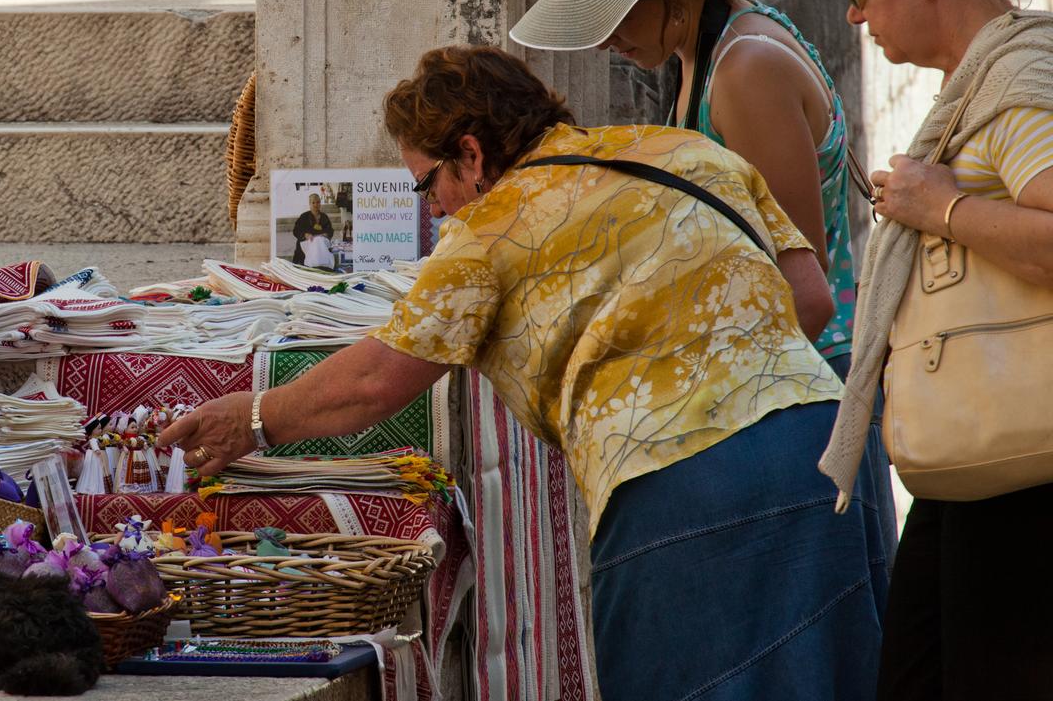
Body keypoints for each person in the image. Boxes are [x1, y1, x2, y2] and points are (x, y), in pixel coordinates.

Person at [163, 45, 887, 701]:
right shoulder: (682, 151)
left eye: (427, 184)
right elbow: (811, 297)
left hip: (678, 481)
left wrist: (254, 416)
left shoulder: (492, 226)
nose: (435, 208)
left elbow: (375, 381)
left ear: (471, 155)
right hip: (817, 451)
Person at [512, 0, 899, 571]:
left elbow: (797, 294)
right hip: (782, 390)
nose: (604, 41)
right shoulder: (706, 50)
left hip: (805, 395)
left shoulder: (744, 68)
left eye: (611, 15)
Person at [819, 0, 1053, 700]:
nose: (852, 14)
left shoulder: (1018, 88)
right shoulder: (981, 83)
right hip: (979, 470)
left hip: (1025, 480)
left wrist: (943, 208)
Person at [290, 192, 333, 264]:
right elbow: (296, 230)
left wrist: (326, 234)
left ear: (320, 203)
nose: (316, 205)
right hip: (306, 244)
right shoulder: (304, 216)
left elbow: (330, 230)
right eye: (313, 203)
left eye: (318, 202)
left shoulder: (324, 217)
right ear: (309, 204)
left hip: (320, 245)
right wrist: (305, 235)